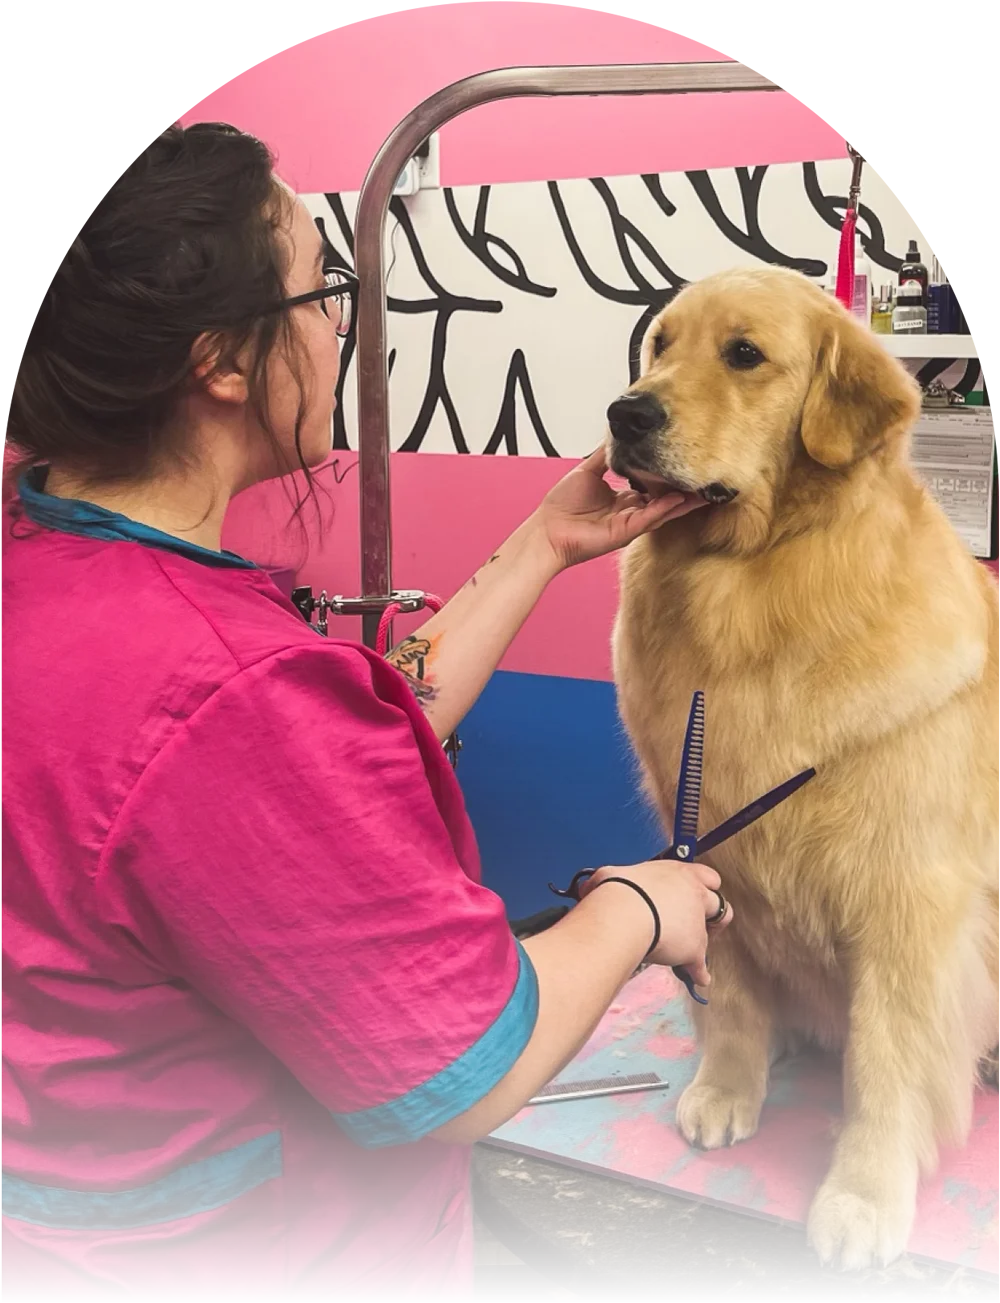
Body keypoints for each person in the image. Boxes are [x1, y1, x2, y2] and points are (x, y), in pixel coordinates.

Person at [0, 122, 731, 1303]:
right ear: (222, 362)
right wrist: (635, 910)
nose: (339, 323)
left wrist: (543, 545)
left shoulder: (45, 559)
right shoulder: (219, 693)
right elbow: (462, 1066)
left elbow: (315, 770)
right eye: (322, 286)